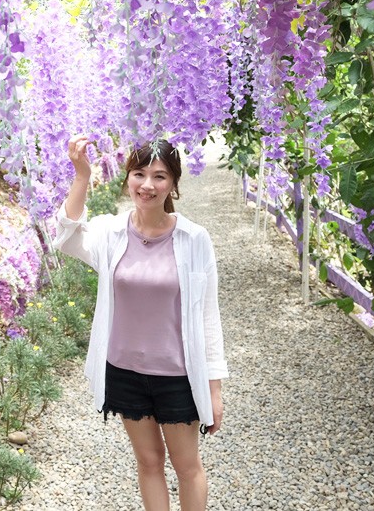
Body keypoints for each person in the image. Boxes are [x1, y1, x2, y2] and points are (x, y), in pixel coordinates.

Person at [52, 135, 227, 511]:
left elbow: (208, 316)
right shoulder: (110, 232)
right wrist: (81, 175)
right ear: (127, 178)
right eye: (139, 174)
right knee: (148, 463)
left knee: (187, 466)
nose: (147, 185)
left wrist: (213, 388)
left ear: (173, 184)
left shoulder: (194, 239)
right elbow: (66, 235)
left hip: (177, 375)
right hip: (125, 372)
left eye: (160, 176)